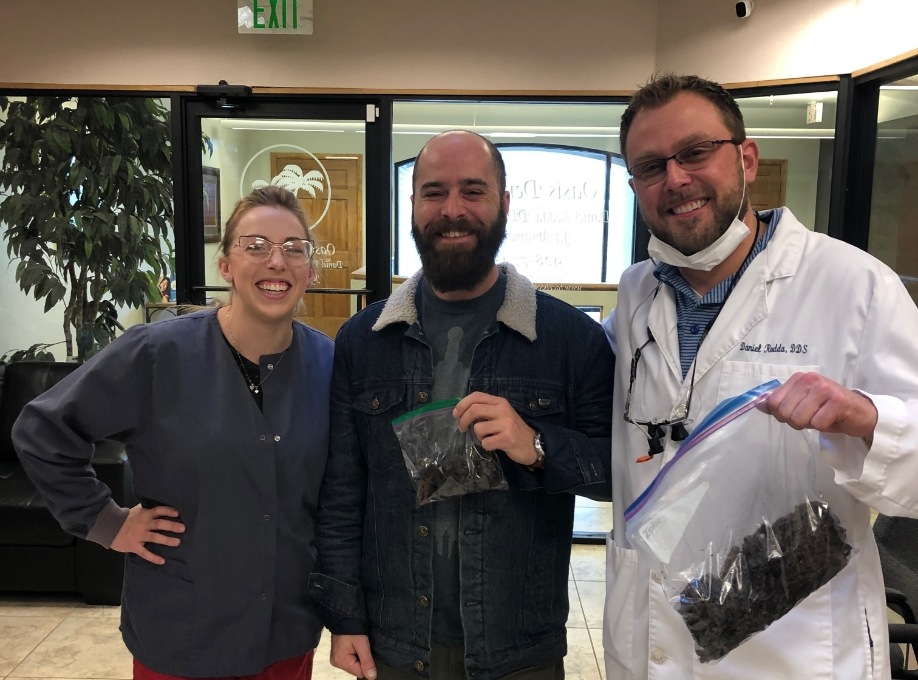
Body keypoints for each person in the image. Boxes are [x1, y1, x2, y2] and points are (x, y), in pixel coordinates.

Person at [603, 73, 918, 678]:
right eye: (649, 166)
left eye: (695, 152)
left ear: (746, 157)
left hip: (790, 646)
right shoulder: (637, 291)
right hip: (651, 638)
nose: (675, 179)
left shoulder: (853, 285)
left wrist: (869, 420)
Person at [308, 130, 614, 680]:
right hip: (396, 642)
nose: (453, 210)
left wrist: (538, 446)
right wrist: (345, 617)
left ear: (505, 203)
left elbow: (616, 472)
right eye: (434, 192)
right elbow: (343, 492)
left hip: (517, 648)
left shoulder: (570, 339)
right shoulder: (363, 340)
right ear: (413, 205)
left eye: (473, 191)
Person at [13, 186, 333, 680]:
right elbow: (42, 430)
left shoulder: (326, 363)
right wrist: (106, 520)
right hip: (184, 628)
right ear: (225, 265)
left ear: (310, 270)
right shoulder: (157, 353)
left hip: (285, 631)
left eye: (294, 248)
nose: (277, 261)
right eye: (255, 245)